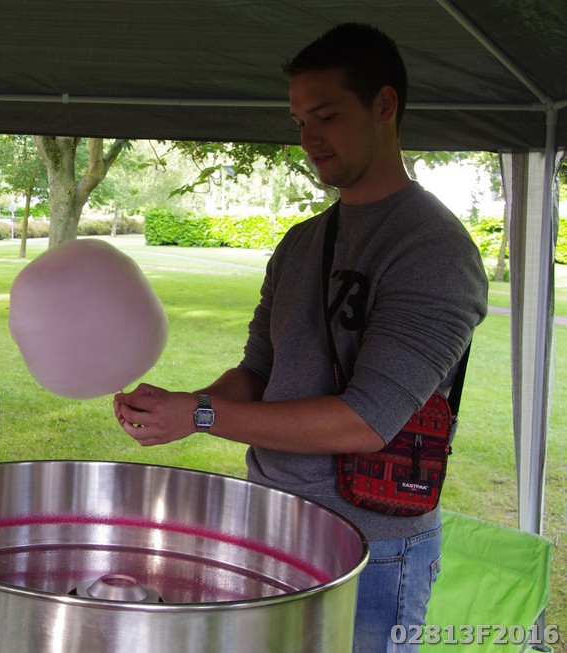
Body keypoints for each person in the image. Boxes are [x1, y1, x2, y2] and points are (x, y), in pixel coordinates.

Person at [114, 23, 488, 653]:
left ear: (384, 105)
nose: (308, 139)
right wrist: (179, 405)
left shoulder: (433, 251)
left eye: (327, 116)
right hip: (270, 523)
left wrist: (201, 415)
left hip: (370, 549)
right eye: (299, 121)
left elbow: (365, 422)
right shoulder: (300, 243)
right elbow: (258, 371)